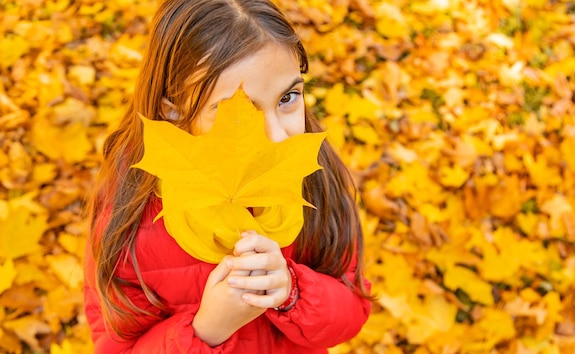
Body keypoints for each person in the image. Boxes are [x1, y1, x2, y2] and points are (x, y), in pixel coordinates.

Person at [83, 0, 372, 352]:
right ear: (172, 110)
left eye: (288, 97)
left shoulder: (314, 177)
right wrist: (207, 329)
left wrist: (292, 293)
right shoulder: (129, 216)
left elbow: (352, 309)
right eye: (243, 112)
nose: (278, 136)